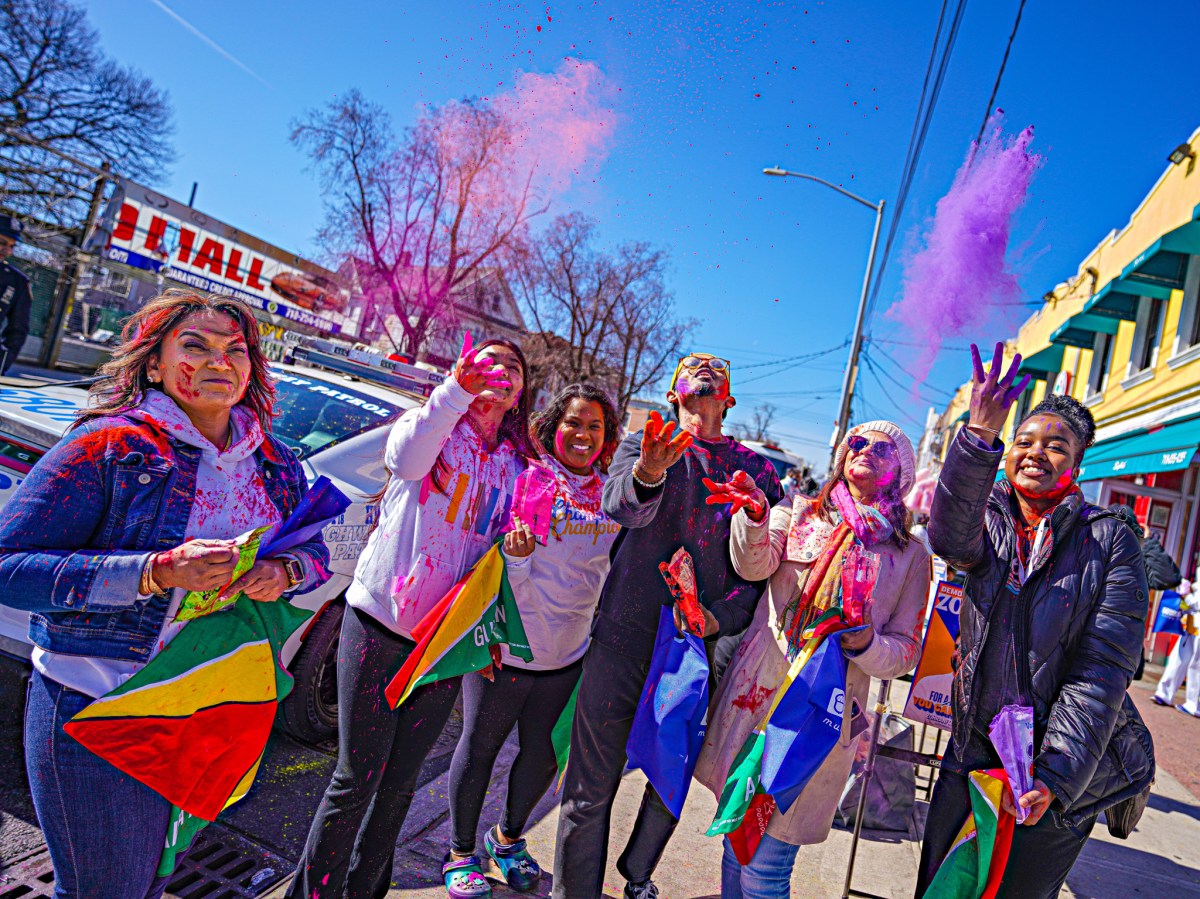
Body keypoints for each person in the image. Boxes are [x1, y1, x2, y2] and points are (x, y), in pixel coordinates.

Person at [0, 289, 331, 898]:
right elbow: (8, 566)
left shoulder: (276, 463)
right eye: (195, 346)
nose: (219, 362)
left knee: (155, 879)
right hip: (97, 701)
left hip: (206, 710)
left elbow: (316, 554)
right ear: (154, 363)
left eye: (236, 350)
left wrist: (285, 573)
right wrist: (155, 571)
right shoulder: (109, 447)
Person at [289, 334, 535, 899]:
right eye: (487, 361)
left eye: (511, 367)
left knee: (399, 788)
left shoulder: (519, 467)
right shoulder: (430, 424)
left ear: (521, 391)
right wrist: (454, 391)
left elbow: (502, 564)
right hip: (379, 624)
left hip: (446, 643)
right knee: (356, 779)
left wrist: (514, 569)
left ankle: (364, 891)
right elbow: (405, 460)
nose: (498, 371)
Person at [916, 343, 1155, 898]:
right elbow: (948, 537)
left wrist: (1051, 776)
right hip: (971, 756)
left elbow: (1102, 670)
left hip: (1052, 772)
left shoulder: (1110, 539)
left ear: (1077, 463)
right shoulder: (989, 515)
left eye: (1055, 446)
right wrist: (977, 436)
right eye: (1023, 441)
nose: (1035, 452)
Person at [552, 352, 783, 899]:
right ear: (672, 392)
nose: (704, 371)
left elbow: (760, 570)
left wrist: (716, 619)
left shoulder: (760, 471)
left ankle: (638, 873)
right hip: (624, 636)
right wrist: (649, 472)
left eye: (716, 370)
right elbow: (621, 508)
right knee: (591, 784)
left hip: (699, 650)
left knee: (667, 775)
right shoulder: (643, 443)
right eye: (691, 367)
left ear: (729, 398)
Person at [695, 421, 930, 898]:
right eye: (857, 443)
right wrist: (756, 517)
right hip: (757, 698)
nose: (863, 450)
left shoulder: (910, 556)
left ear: (901, 472)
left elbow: (906, 651)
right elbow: (752, 565)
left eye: (881, 448)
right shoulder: (799, 512)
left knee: (768, 864)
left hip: (821, 721)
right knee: (736, 836)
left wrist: (866, 643)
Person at [444, 384, 622, 897]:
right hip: (508, 645)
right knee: (479, 748)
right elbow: (493, 563)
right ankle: (460, 854)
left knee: (542, 757)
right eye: (573, 423)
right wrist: (516, 566)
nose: (583, 434)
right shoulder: (530, 480)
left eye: (594, 426)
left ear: (607, 436)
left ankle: (507, 838)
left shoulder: (610, 495)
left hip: (568, 654)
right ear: (554, 426)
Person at [1151, 579, 1200, 715]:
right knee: (1177, 660)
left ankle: (1193, 704)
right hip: (1191, 626)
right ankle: (1164, 693)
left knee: (1196, 666)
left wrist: (1187, 595)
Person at [0, 214, 33, 374]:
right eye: (2, 243)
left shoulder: (17, 282)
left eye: (12, 246)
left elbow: (17, 330)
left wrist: (2, 365)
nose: (7, 250)